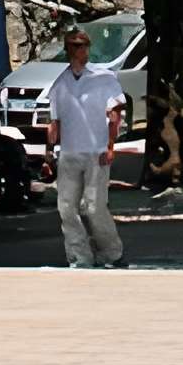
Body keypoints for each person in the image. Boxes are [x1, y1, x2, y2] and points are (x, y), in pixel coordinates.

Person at [41, 25, 129, 268]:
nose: (78, 50)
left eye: (82, 45)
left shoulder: (103, 78)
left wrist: (110, 146)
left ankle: (112, 253)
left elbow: (114, 114)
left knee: (94, 207)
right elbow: (54, 122)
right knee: (67, 208)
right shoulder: (60, 84)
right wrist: (48, 155)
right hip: (69, 152)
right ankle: (79, 256)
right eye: (73, 45)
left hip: (96, 151)